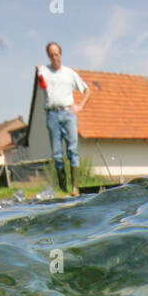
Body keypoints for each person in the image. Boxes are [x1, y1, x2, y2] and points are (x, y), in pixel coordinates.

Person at [37, 42, 90, 196]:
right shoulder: (44, 71)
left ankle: (75, 187)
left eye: (57, 54)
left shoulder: (69, 73)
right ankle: (63, 188)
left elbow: (87, 90)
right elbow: (42, 86)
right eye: (51, 55)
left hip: (68, 114)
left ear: (61, 55)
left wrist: (80, 106)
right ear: (49, 56)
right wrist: (39, 73)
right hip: (52, 114)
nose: (54, 57)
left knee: (72, 150)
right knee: (57, 154)